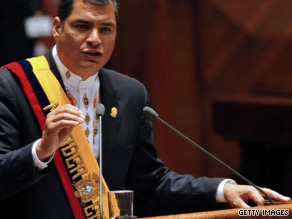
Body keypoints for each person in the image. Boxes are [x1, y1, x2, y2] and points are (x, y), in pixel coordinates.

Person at [0, 0, 290, 218]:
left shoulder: (129, 93)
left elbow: (150, 185)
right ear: (57, 28)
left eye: (106, 29)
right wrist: (41, 150)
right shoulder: (13, 85)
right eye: (82, 26)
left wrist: (222, 189)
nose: (95, 39)